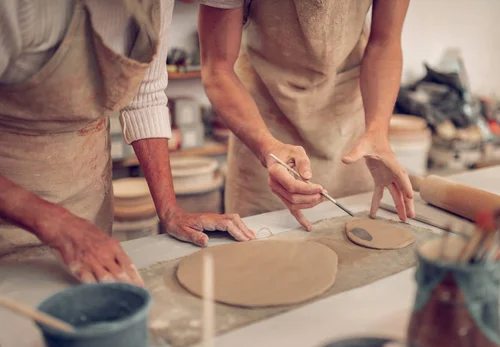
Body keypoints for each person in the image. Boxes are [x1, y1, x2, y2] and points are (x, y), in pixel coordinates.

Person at [0, 0, 255, 286]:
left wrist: (170, 211)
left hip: (88, 198)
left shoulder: (156, 5)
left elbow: (144, 94)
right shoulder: (23, 8)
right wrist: (56, 222)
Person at [198, 0, 415, 232]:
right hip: (263, 118)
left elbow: (385, 41)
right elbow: (216, 68)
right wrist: (267, 148)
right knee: (266, 249)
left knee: (354, 240)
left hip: (348, 122)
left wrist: (377, 131)